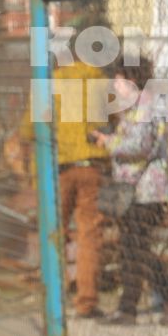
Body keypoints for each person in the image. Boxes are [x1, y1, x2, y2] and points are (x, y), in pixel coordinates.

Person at [96, 62, 168, 324]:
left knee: (136, 248)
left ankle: (166, 299)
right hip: (136, 190)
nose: (115, 86)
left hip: (147, 190)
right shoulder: (136, 109)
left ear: (132, 79)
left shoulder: (147, 107)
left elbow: (140, 145)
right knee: (134, 248)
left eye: (119, 80)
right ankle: (131, 307)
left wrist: (109, 143)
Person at [49, 52, 109, 318]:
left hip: (60, 167)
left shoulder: (50, 83)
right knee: (89, 235)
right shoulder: (98, 80)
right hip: (92, 165)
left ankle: (53, 298)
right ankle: (86, 301)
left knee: (54, 232)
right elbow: (112, 121)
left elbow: (30, 126)